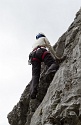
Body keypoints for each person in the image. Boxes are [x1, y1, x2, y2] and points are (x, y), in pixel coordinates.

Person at [28, 33, 60, 99]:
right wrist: (56, 57)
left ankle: (33, 92)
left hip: (32, 55)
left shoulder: (34, 43)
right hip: (41, 51)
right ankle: (49, 71)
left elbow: (30, 62)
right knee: (53, 64)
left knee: (35, 75)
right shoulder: (43, 38)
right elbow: (49, 46)